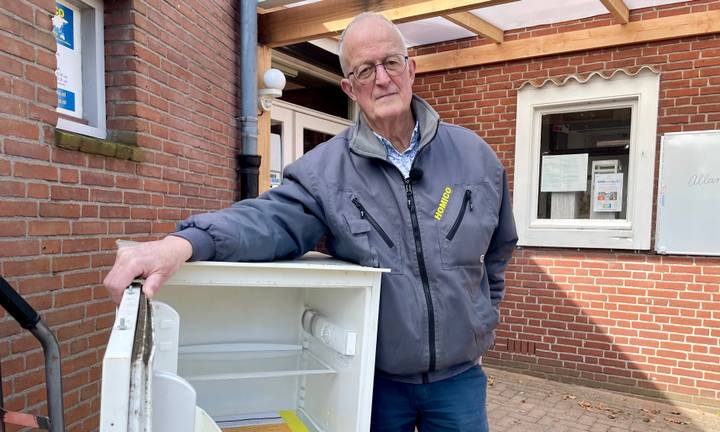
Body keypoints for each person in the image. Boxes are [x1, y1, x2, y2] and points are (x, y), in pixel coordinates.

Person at [104, 12, 517, 432]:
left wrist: (480, 318)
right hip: (377, 386)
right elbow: (267, 221)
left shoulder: (474, 157)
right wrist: (182, 245)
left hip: (459, 382)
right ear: (350, 88)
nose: (382, 78)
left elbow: (499, 251)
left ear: (410, 68)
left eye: (391, 62)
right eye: (364, 70)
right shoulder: (325, 172)